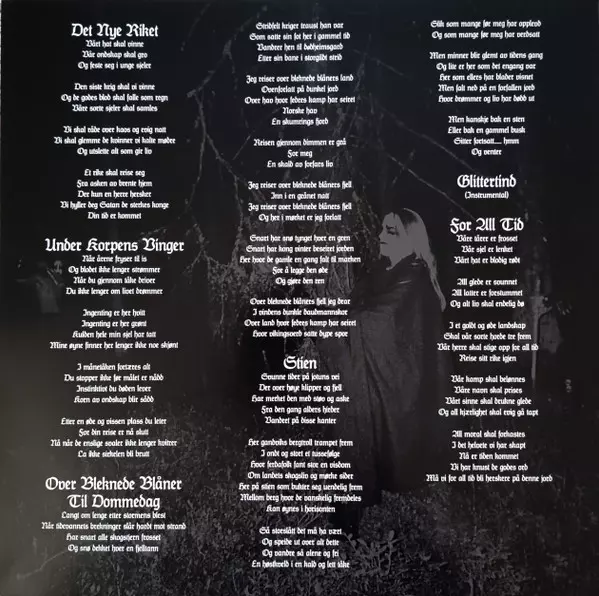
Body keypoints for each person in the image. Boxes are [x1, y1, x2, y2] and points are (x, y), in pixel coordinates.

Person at [323, 209, 451, 536]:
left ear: (410, 239)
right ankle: (346, 512)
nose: (380, 236)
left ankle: (348, 520)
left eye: (390, 231)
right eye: (382, 229)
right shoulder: (381, 272)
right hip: (368, 369)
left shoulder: (414, 277)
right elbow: (358, 310)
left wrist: (334, 322)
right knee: (353, 427)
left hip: (397, 379)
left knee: (358, 428)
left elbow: (376, 320)